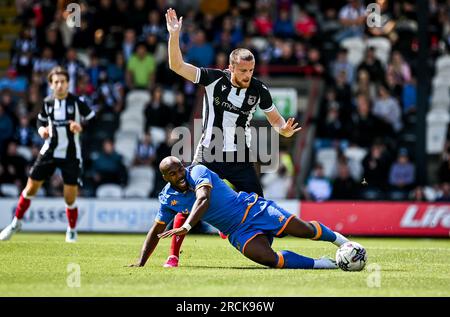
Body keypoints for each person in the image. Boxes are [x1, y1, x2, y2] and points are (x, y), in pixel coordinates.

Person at [163, 8, 302, 267]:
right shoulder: (214, 79)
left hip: (239, 155)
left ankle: (262, 251)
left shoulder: (259, 89)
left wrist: (282, 129)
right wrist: (174, 36)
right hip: (208, 152)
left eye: (251, 70)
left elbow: (274, 118)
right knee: (189, 199)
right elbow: (176, 65)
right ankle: (173, 254)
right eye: (243, 71)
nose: (247, 75)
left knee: (259, 207)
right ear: (230, 68)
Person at [128, 156, 349, 269]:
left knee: (303, 230)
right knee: (270, 260)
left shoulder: (197, 171)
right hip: (236, 232)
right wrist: (141, 261)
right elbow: (156, 229)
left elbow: (203, 199)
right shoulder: (168, 199)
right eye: (173, 174)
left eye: (180, 170)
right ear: (166, 178)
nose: (180, 175)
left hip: (253, 209)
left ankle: (343, 243)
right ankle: (321, 263)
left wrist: (187, 226)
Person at [0, 66, 95, 243]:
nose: (60, 85)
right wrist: (42, 129)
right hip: (49, 152)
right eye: (56, 82)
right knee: (30, 189)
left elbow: (92, 117)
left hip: (71, 154)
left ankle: (72, 230)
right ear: (51, 85)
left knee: (69, 196)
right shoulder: (48, 103)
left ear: (68, 83)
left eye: (63, 82)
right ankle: (15, 223)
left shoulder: (76, 102)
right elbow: (40, 121)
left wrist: (81, 126)